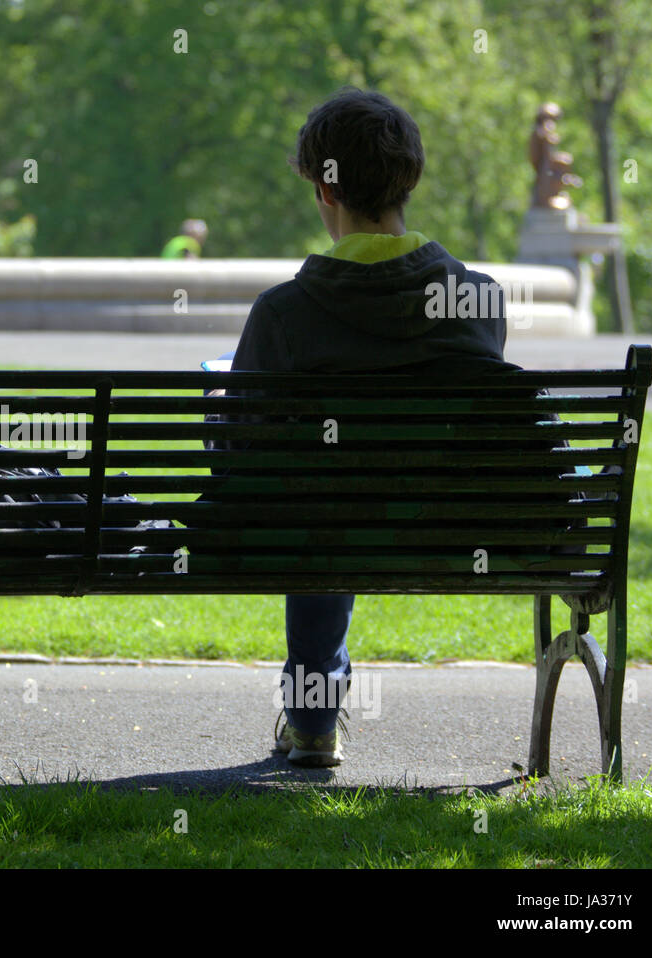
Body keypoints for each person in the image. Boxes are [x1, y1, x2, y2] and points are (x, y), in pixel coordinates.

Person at [220, 89, 515, 767]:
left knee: (318, 509)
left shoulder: (284, 314)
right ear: (408, 180)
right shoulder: (476, 300)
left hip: (323, 526)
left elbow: (236, 453)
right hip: (450, 527)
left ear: (326, 192)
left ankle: (313, 722)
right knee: (330, 498)